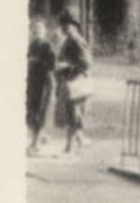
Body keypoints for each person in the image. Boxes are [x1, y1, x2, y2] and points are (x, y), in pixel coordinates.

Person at [54, 14, 92, 154]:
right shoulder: (68, 41)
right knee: (71, 114)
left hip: (76, 81)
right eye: (63, 25)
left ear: (74, 27)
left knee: (74, 114)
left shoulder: (77, 41)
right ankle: (78, 141)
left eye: (68, 26)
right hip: (69, 82)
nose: (65, 28)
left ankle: (71, 145)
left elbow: (87, 63)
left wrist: (67, 66)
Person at [26, 20, 56, 155]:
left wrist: (37, 61)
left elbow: (51, 65)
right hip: (32, 82)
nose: (36, 32)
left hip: (44, 82)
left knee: (40, 110)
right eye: (34, 29)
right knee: (31, 111)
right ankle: (39, 136)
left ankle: (36, 142)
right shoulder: (32, 44)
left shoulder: (47, 46)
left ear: (45, 31)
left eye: (39, 29)